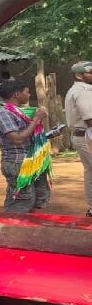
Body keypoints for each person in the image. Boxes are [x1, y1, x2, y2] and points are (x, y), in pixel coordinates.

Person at [0, 79, 52, 213]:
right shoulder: (2, 113)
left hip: (34, 161)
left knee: (39, 198)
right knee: (21, 201)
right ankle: (14, 225)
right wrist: (36, 119)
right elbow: (17, 139)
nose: (29, 95)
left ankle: (32, 225)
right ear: (17, 94)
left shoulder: (17, 111)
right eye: (27, 92)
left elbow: (29, 134)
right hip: (17, 163)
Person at [64, 61, 92, 217]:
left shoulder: (76, 90)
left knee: (90, 172)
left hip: (82, 136)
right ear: (79, 75)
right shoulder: (84, 91)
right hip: (87, 136)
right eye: (90, 72)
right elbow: (90, 119)